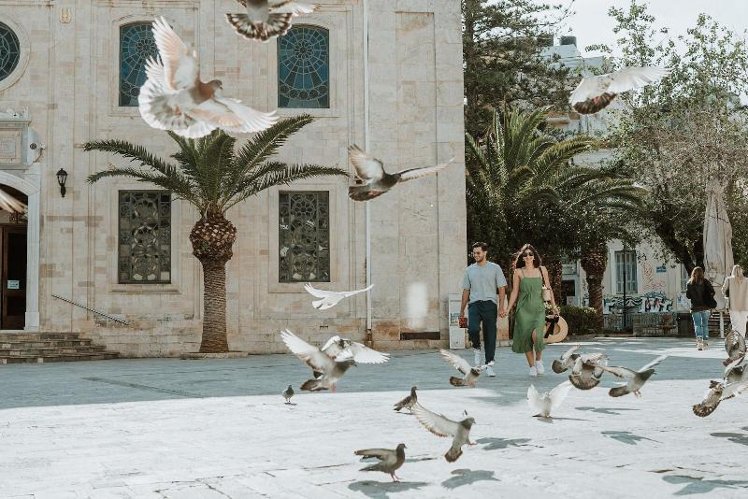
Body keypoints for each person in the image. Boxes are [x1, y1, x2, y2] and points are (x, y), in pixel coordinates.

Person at [503, 244, 556, 376]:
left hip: (538, 309)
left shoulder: (542, 270)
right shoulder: (518, 272)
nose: (528, 256)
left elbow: (549, 289)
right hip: (523, 309)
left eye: (530, 254)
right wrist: (508, 309)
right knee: (526, 337)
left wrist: (554, 306)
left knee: (537, 336)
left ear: (534, 256)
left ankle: (538, 360)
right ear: (522, 257)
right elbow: (515, 292)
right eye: (525, 254)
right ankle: (532, 367)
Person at [459, 242, 507, 377]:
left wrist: (501, 307)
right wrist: (462, 310)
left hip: (490, 305)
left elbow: (501, 288)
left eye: (478, 253)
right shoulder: (469, 270)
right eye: (474, 253)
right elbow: (466, 291)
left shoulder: (495, 268)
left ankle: (489, 365)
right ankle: (477, 348)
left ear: (485, 252)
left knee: (490, 335)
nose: (476, 255)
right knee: (473, 329)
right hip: (474, 304)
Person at [686, 266, 716, 350]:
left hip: (695, 307)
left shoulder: (689, 283)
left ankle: (699, 343)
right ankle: (705, 342)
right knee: (705, 325)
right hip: (705, 307)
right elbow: (713, 292)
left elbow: (688, 296)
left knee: (697, 325)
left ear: (693, 273)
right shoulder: (706, 282)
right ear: (702, 273)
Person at [723, 264, 748, 336]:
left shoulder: (729, 279)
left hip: (733, 305)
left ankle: (737, 340)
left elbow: (723, 290)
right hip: (745, 305)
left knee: (735, 325)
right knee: (743, 324)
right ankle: (741, 340)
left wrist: (728, 294)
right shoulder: (747, 280)